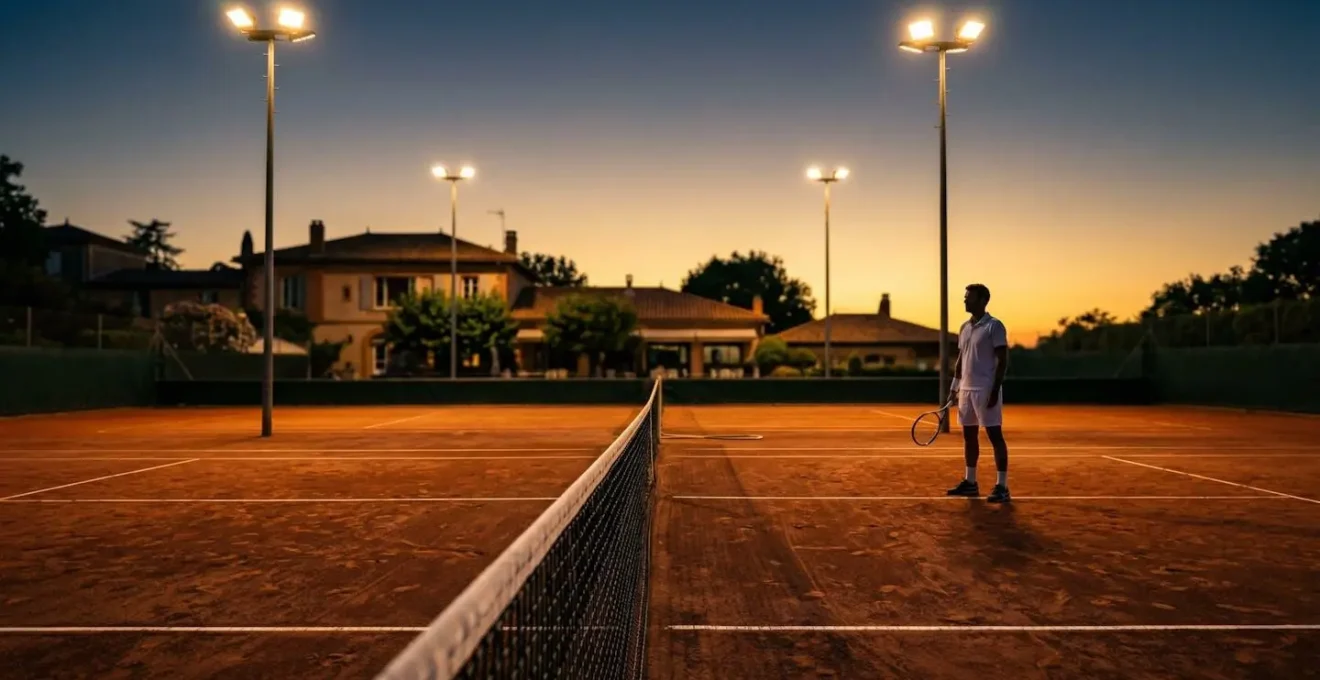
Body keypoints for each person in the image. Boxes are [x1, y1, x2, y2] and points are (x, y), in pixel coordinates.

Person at [945, 283, 1011, 503]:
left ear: (983, 300)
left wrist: (995, 389)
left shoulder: (995, 326)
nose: (965, 300)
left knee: (994, 435)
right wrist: (954, 388)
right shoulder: (964, 327)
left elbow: (1003, 361)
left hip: (985, 389)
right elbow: (961, 361)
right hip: (966, 391)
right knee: (969, 436)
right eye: (965, 297)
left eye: (969, 297)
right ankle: (970, 482)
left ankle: (1002, 486)